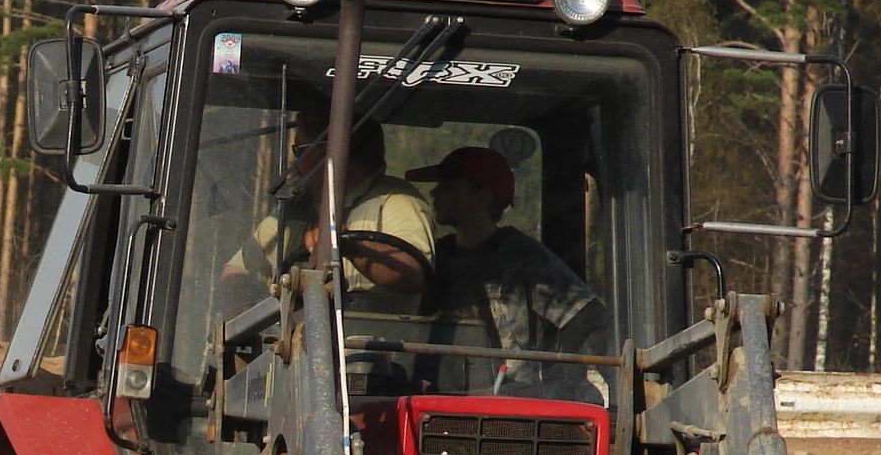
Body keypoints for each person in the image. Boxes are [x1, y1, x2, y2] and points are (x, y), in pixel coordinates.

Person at [406, 145, 611, 383]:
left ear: (482, 196)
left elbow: (587, 319)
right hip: (439, 389)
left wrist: (559, 383)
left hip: (509, 398)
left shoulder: (521, 256)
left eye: (448, 186)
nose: (434, 193)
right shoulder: (435, 257)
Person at [223, 111, 435, 314]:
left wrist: (352, 247)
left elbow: (413, 277)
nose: (294, 164)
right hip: (293, 344)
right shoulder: (294, 211)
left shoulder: (396, 202)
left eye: (299, 151)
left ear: (329, 152)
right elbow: (237, 273)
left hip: (371, 344)